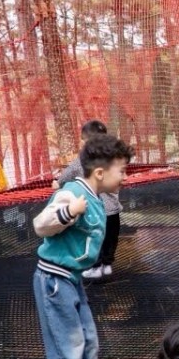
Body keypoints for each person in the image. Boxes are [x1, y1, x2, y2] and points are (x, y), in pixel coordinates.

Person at [32, 133, 133, 359]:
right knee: (69, 343)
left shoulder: (98, 197)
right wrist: (69, 212)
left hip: (71, 279)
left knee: (89, 340)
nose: (125, 177)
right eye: (122, 171)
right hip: (53, 280)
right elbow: (40, 225)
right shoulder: (72, 194)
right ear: (100, 173)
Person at [53, 120, 122, 280]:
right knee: (111, 238)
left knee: (95, 238)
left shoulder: (84, 159)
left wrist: (58, 182)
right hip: (113, 210)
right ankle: (107, 265)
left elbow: (69, 172)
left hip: (96, 210)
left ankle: (96, 266)